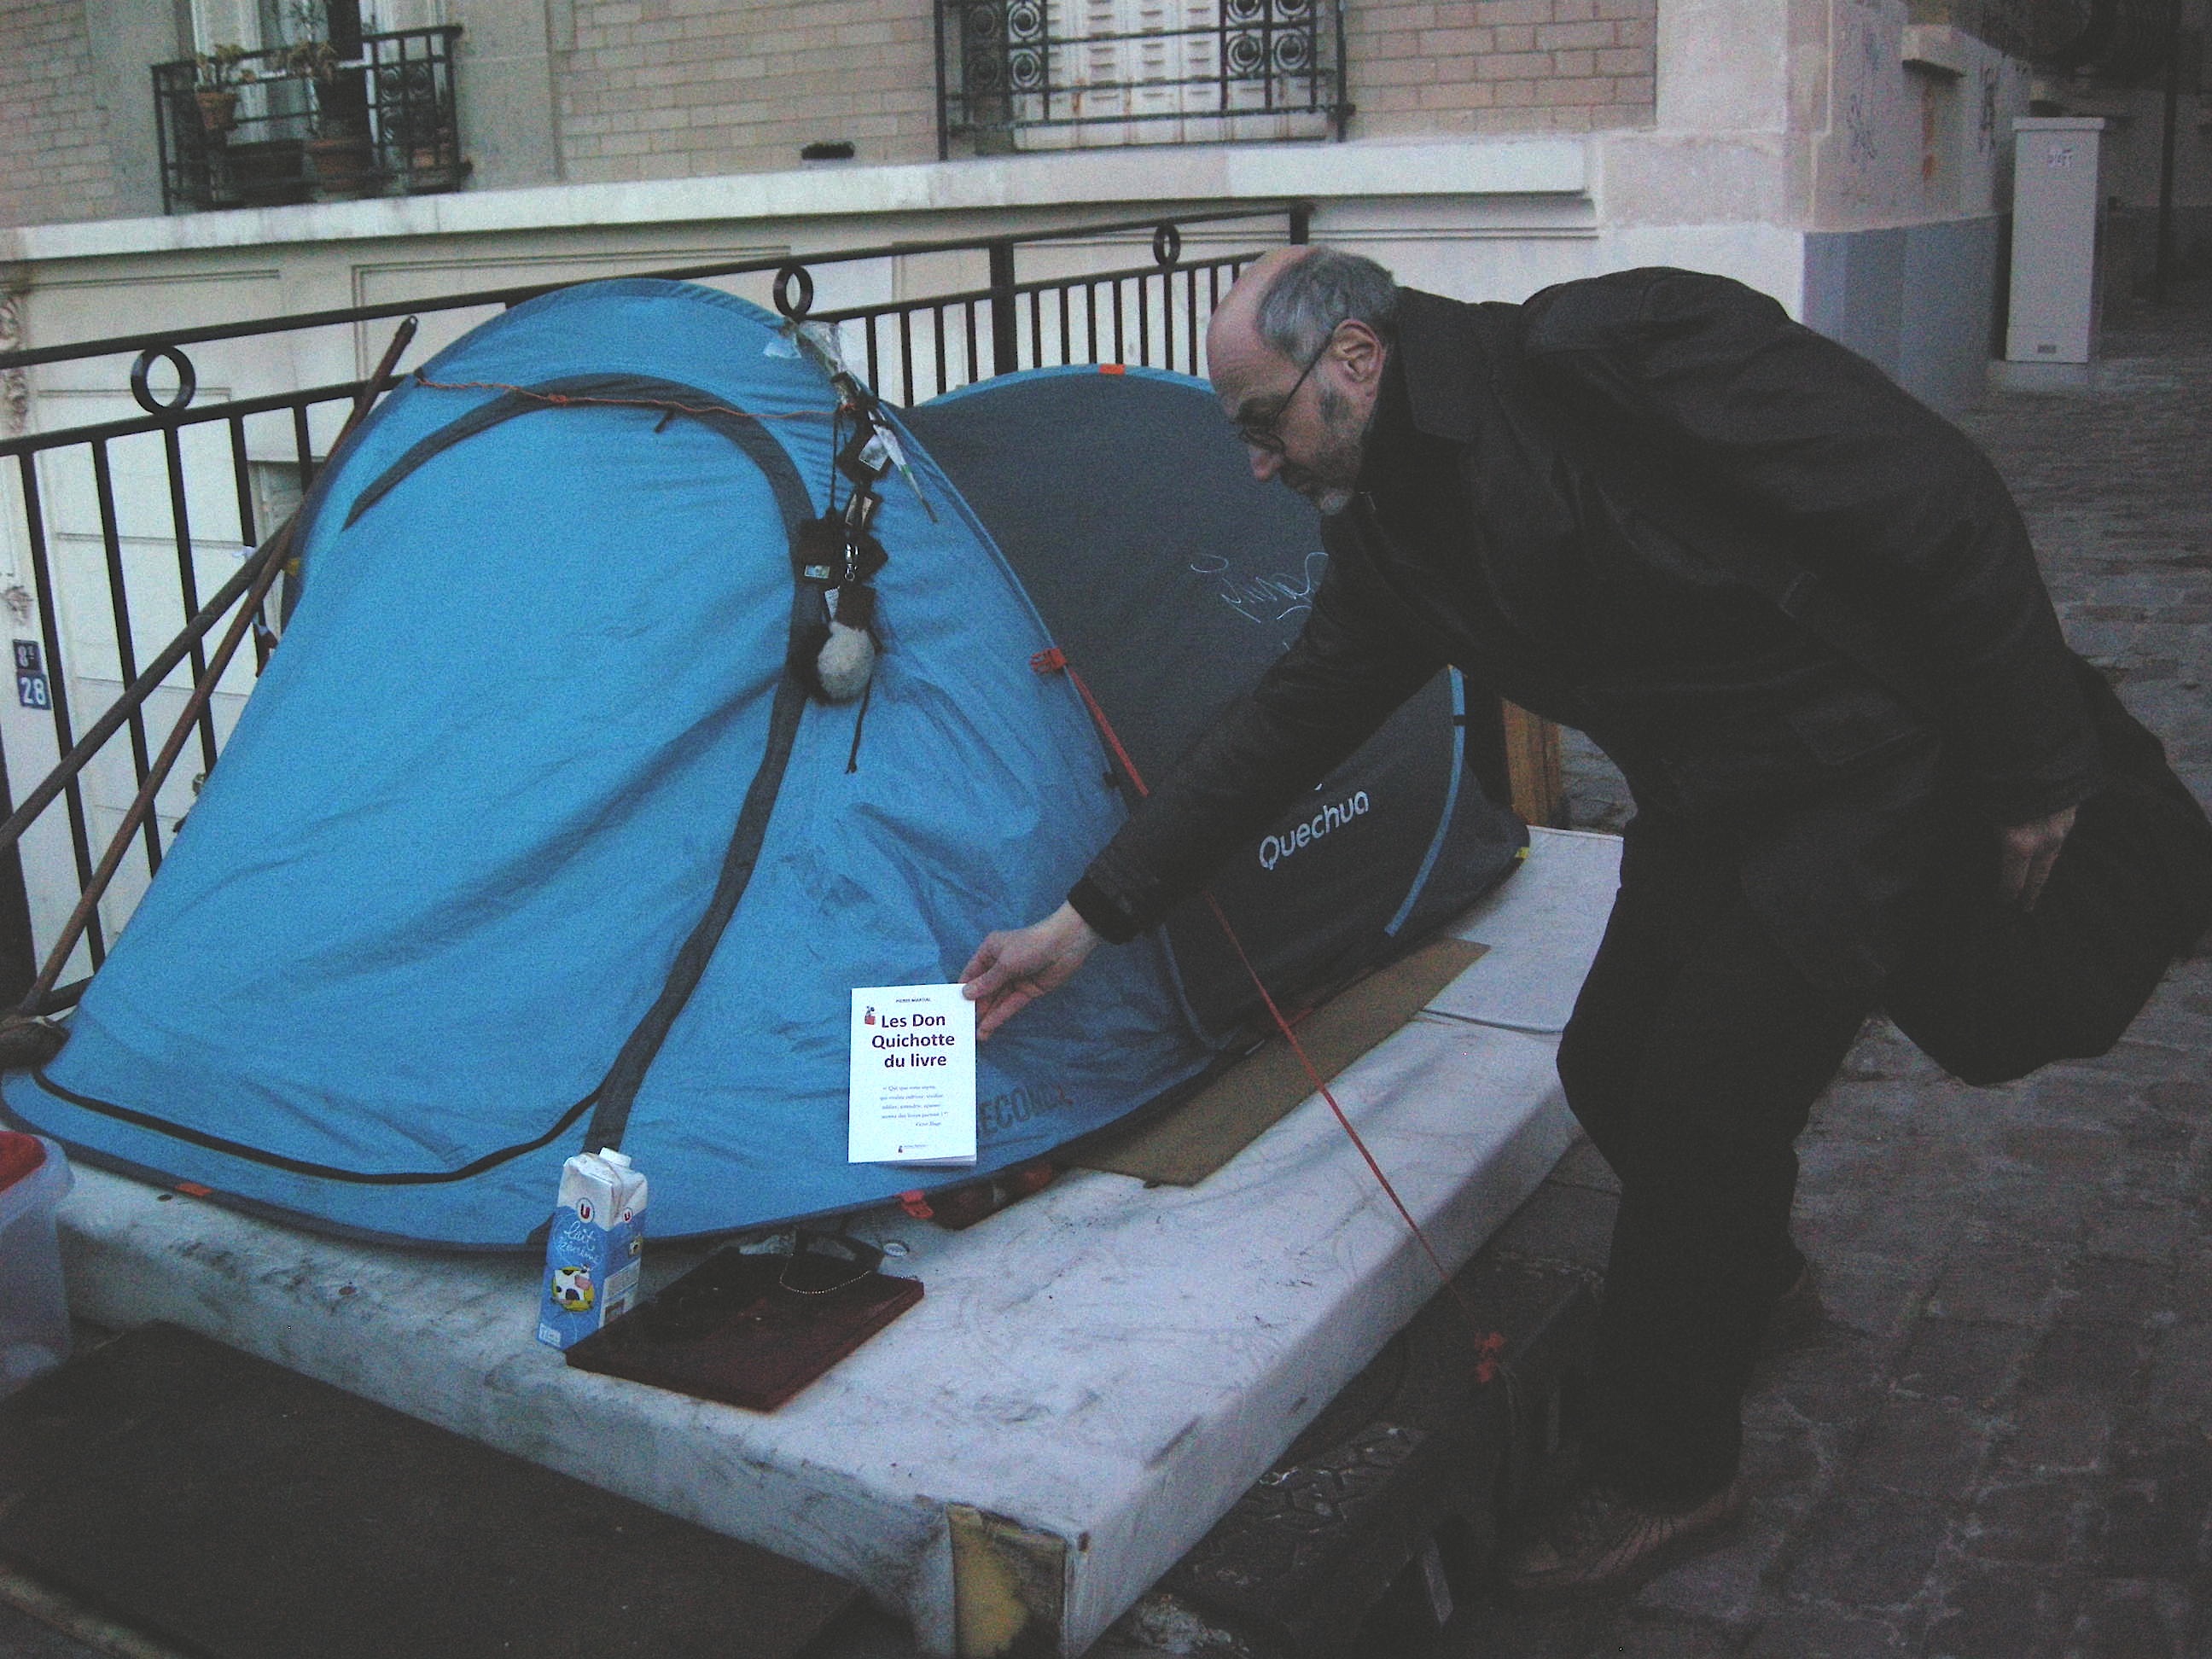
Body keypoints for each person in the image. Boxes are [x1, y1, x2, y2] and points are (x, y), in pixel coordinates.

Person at [959, 246, 2096, 1593]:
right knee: (1606, 1063)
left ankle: (1672, 1470)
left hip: (1859, 774)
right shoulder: (1392, 524)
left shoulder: (1618, 350)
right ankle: (1747, 1277)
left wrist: (2031, 761)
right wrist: (1088, 921)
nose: (1258, 464)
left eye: (1265, 422)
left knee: (1698, 1107)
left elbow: (1932, 494)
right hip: (1709, 797)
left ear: (1359, 362)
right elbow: (1285, 726)